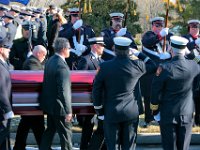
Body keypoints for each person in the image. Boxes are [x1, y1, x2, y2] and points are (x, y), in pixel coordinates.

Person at [92, 37, 156, 149]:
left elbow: (96, 89)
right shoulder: (137, 65)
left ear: (115, 49)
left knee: (112, 146)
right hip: (131, 112)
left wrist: (99, 111)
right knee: (129, 146)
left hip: (111, 111)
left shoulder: (104, 66)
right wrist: (139, 54)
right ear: (128, 50)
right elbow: (153, 65)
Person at [150, 36, 200, 150]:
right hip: (187, 113)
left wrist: (155, 111)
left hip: (168, 113)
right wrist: (191, 54)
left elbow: (155, 91)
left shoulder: (164, 67)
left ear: (170, 49)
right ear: (184, 49)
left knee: (169, 147)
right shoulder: (193, 66)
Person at [39, 38, 73, 150]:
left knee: (49, 132)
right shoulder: (62, 66)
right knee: (66, 136)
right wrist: (68, 111)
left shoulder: (50, 60)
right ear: (63, 49)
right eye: (68, 48)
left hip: (50, 106)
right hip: (60, 108)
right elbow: (64, 91)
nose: (70, 50)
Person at [140, 16, 173, 127]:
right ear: (153, 26)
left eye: (161, 25)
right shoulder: (148, 35)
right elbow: (148, 42)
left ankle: (159, 115)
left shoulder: (166, 38)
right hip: (150, 72)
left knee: (161, 94)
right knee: (149, 95)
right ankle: (149, 118)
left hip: (162, 71)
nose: (159, 27)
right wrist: (160, 35)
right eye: (157, 25)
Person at [13, 45, 47, 150]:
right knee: (38, 127)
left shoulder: (33, 61)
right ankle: (43, 147)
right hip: (33, 102)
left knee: (25, 126)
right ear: (38, 53)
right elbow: (37, 78)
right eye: (44, 55)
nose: (44, 57)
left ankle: (19, 146)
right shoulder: (32, 62)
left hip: (31, 101)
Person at [77, 37, 106, 150]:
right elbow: (81, 80)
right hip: (88, 100)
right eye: (101, 45)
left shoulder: (102, 62)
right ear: (94, 46)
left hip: (100, 100)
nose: (103, 48)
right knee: (88, 128)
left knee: (100, 126)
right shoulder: (85, 60)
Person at [182, 20, 200, 126]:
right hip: (190, 70)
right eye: (193, 28)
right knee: (190, 95)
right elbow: (184, 48)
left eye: (196, 28)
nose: (195, 30)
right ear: (189, 28)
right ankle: (190, 119)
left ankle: (198, 119)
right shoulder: (185, 38)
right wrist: (194, 43)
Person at [0, 26, 14, 150]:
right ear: (0, 49)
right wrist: (8, 109)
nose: (9, 50)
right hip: (2, 111)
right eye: (7, 48)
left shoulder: (3, 64)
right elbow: (1, 91)